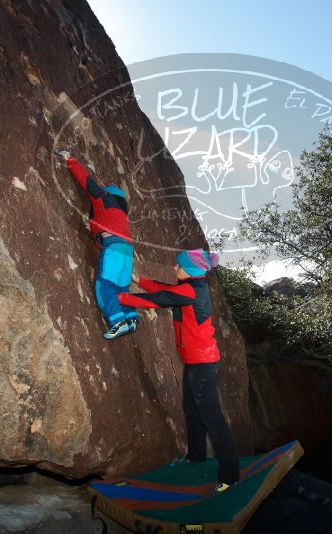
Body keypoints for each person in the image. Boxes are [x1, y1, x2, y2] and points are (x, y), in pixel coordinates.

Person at [117, 249, 240, 492]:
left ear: (190, 270)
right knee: (192, 410)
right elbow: (163, 289)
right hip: (196, 361)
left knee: (211, 418)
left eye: (178, 266)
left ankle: (230, 475)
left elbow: (156, 300)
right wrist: (138, 279)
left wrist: (121, 298)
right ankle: (196, 456)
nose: (174, 269)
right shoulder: (192, 285)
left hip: (203, 364)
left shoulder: (190, 290)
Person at [59, 150, 138, 340]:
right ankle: (131, 318)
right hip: (128, 251)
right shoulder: (121, 215)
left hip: (113, 247)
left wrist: (70, 159)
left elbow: (86, 181)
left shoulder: (103, 198)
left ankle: (117, 321)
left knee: (105, 285)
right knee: (122, 287)